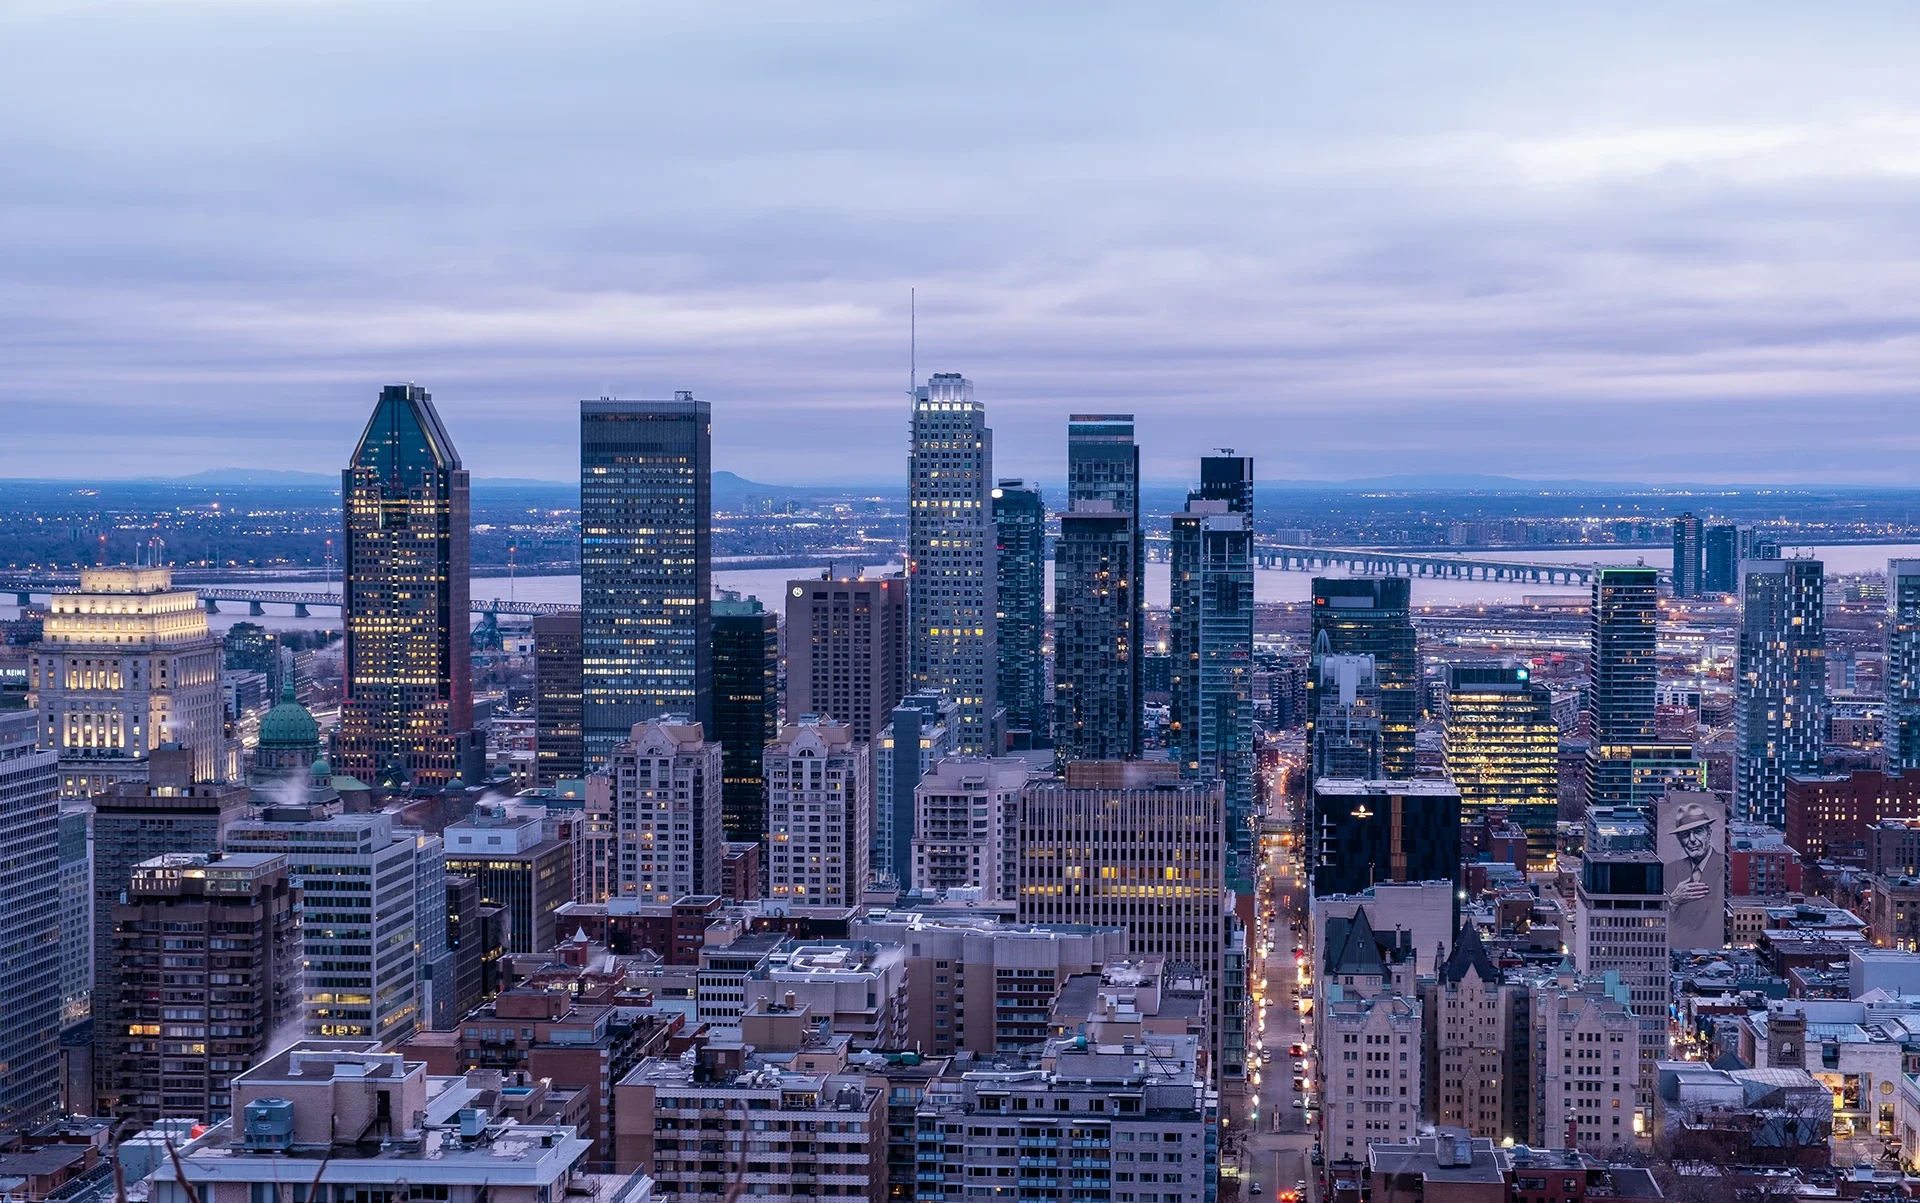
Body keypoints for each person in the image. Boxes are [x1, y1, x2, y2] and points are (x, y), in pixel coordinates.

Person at [1666, 800, 1718, 906]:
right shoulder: (1670, 870)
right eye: (1685, 834)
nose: (1692, 839)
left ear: (1709, 834)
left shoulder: (1724, 867)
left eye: (1698, 831)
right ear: (1679, 840)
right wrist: (1673, 900)